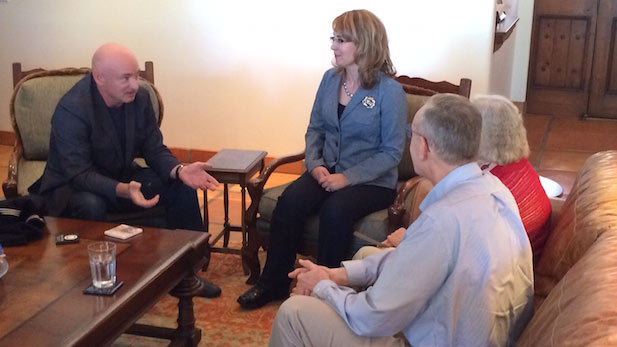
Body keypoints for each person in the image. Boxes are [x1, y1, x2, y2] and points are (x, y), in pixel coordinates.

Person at [269, 94, 534, 347]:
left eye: (411, 133)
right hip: (482, 332)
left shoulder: (441, 221)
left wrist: (323, 286)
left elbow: (371, 316)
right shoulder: (496, 189)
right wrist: (338, 274)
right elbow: (413, 257)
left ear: (424, 146)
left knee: (293, 314)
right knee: (364, 257)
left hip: (435, 338)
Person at [237, 9, 407, 310]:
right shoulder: (330, 79)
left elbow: (391, 152)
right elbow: (315, 129)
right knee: (290, 201)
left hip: (371, 181)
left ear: (364, 43)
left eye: (341, 39)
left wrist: (347, 178)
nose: (333, 46)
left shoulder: (389, 92)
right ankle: (272, 282)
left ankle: (326, 291)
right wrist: (314, 164)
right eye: (334, 38)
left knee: (335, 210)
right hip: (325, 169)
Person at [29, 43, 221, 298]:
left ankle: (186, 275)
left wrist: (178, 170)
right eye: (126, 78)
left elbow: (154, 148)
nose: (134, 84)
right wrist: (122, 190)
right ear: (99, 77)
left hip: (119, 176)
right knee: (91, 204)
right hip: (72, 188)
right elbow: (78, 173)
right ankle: (97, 280)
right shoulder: (72, 109)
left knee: (180, 188)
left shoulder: (139, 98)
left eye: (137, 75)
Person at [356, 95, 553, 265]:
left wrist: (408, 242)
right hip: (501, 268)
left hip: (482, 273)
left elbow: (455, 253)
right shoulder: (518, 168)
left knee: (366, 257)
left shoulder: (489, 186)